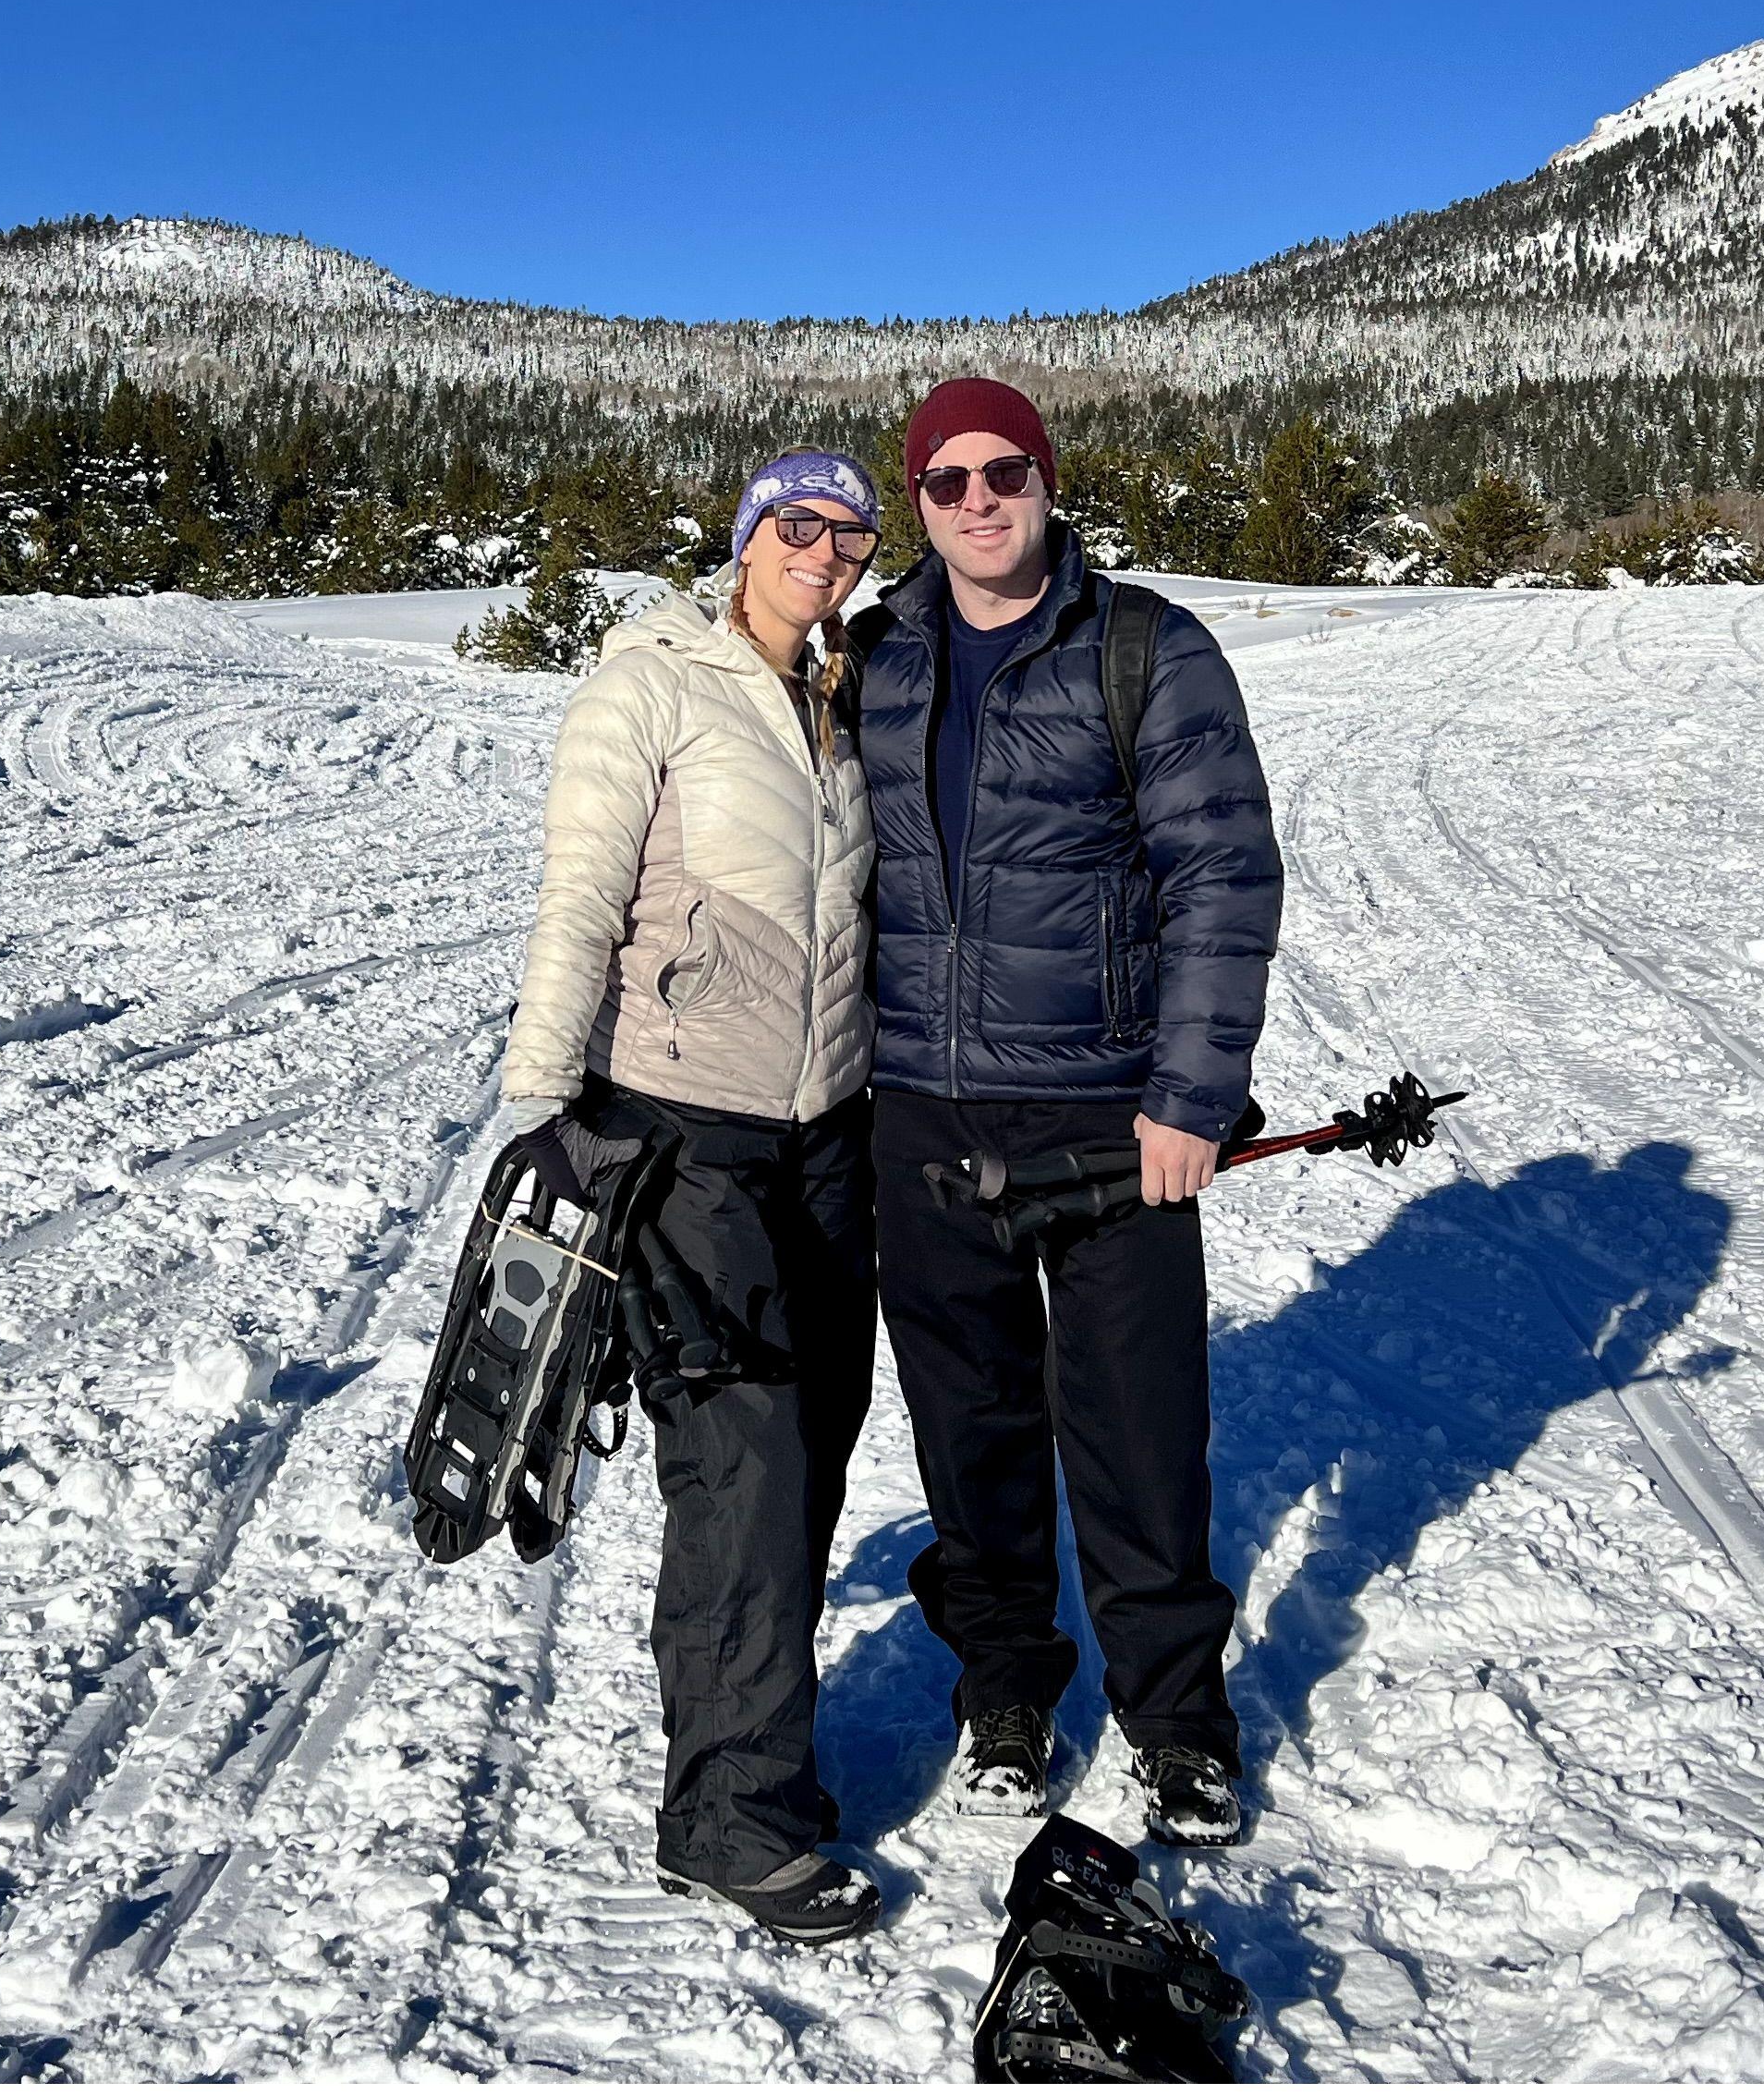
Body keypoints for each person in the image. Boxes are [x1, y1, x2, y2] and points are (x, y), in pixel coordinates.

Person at [854, 378, 1283, 1845]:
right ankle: (1006, 1694)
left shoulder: (1148, 648)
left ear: (1048, 480)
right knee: (968, 1431)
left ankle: (1176, 1720)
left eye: (1004, 472)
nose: (979, 501)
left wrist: (1194, 1095)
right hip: (915, 1108)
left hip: (1109, 1117)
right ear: (914, 504)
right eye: (946, 481)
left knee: (1139, 1431)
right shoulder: (874, 659)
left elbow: (1222, 877)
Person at [498, 448, 887, 1943]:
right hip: (680, 1130)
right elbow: (579, 896)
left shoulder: (831, 697)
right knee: (744, 1463)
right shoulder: (650, 682)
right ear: (745, 539)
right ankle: (728, 1816)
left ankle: (757, 1746)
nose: (829, 551)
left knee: (823, 1436)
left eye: (853, 533)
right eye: (801, 526)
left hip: (826, 1132)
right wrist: (548, 1109)